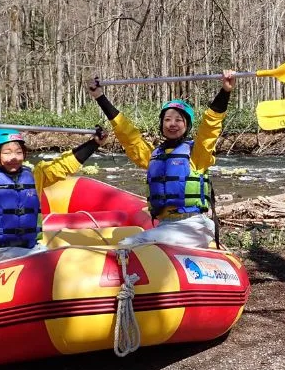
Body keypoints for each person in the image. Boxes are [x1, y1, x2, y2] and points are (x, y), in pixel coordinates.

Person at [89, 71, 235, 248]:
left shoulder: (197, 153)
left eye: (178, 120)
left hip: (193, 226)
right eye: (167, 119)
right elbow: (126, 134)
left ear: (187, 126)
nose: (172, 124)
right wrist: (99, 96)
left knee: (127, 245)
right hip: (166, 225)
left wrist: (225, 91)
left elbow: (210, 127)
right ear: (161, 125)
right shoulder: (152, 155)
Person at [0, 106, 107, 265]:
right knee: (50, 259)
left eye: (19, 152)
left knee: (60, 258)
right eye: (7, 152)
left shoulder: (34, 176)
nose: (15, 157)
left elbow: (63, 166)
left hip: (29, 248)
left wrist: (94, 143)